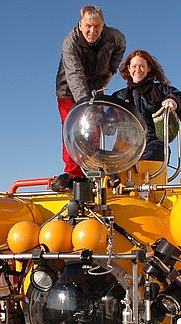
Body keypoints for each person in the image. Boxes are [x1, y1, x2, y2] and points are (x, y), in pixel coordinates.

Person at [51, 5, 126, 192]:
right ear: (80, 24)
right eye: (88, 26)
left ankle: (95, 168)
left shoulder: (113, 36)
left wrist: (111, 70)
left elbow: (121, 46)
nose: (92, 31)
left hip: (95, 88)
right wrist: (85, 107)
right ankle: (74, 174)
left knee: (94, 130)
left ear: (102, 26)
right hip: (69, 91)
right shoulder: (70, 43)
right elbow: (75, 75)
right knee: (74, 130)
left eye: (96, 26)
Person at [112, 49, 181, 164]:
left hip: (153, 145)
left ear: (149, 68)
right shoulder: (119, 96)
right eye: (134, 66)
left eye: (142, 66)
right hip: (126, 147)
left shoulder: (161, 90)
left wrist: (174, 100)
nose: (138, 70)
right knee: (107, 165)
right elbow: (107, 121)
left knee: (147, 160)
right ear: (128, 69)